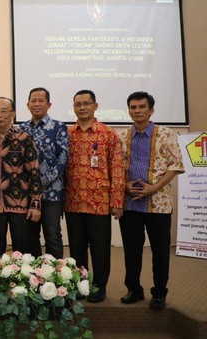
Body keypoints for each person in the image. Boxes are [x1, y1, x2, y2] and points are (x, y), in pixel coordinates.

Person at [118, 91, 184, 310]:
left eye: (141, 107)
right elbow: (116, 168)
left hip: (159, 203)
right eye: (133, 108)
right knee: (132, 250)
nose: (137, 111)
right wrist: (124, 185)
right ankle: (134, 289)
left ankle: (159, 293)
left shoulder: (166, 134)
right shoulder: (121, 137)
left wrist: (154, 188)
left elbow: (175, 165)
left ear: (151, 110)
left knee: (160, 250)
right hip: (130, 204)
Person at [65, 89, 124, 303]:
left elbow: (117, 169)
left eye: (86, 103)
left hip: (99, 202)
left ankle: (99, 287)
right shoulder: (68, 134)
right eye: (78, 104)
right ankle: (81, 285)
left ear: (95, 106)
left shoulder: (107, 134)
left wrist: (117, 201)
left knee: (100, 249)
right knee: (76, 250)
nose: (82, 107)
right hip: (73, 202)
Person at [0, 97, 42, 259]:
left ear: (13, 113)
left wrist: (35, 204)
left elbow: (34, 172)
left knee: (21, 251)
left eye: (3, 111)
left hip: (20, 203)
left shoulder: (24, 138)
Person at [19, 87, 69, 259]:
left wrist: (40, 183)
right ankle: (33, 278)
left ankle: (56, 279)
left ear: (49, 104)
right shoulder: (21, 129)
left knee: (53, 235)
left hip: (52, 193)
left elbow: (62, 159)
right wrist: (30, 186)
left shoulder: (59, 127)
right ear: (27, 105)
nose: (37, 104)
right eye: (33, 100)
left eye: (41, 100)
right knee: (30, 237)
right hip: (27, 194)